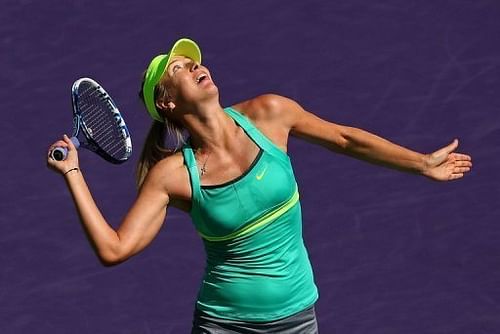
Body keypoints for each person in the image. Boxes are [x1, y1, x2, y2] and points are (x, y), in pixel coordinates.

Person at [47, 38, 472, 333]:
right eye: (178, 68)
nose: (195, 66)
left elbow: (345, 138)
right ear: (167, 102)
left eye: (193, 61)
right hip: (222, 325)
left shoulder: (270, 113)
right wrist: (73, 173)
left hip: (296, 320)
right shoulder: (174, 175)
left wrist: (420, 163)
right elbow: (115, 248)